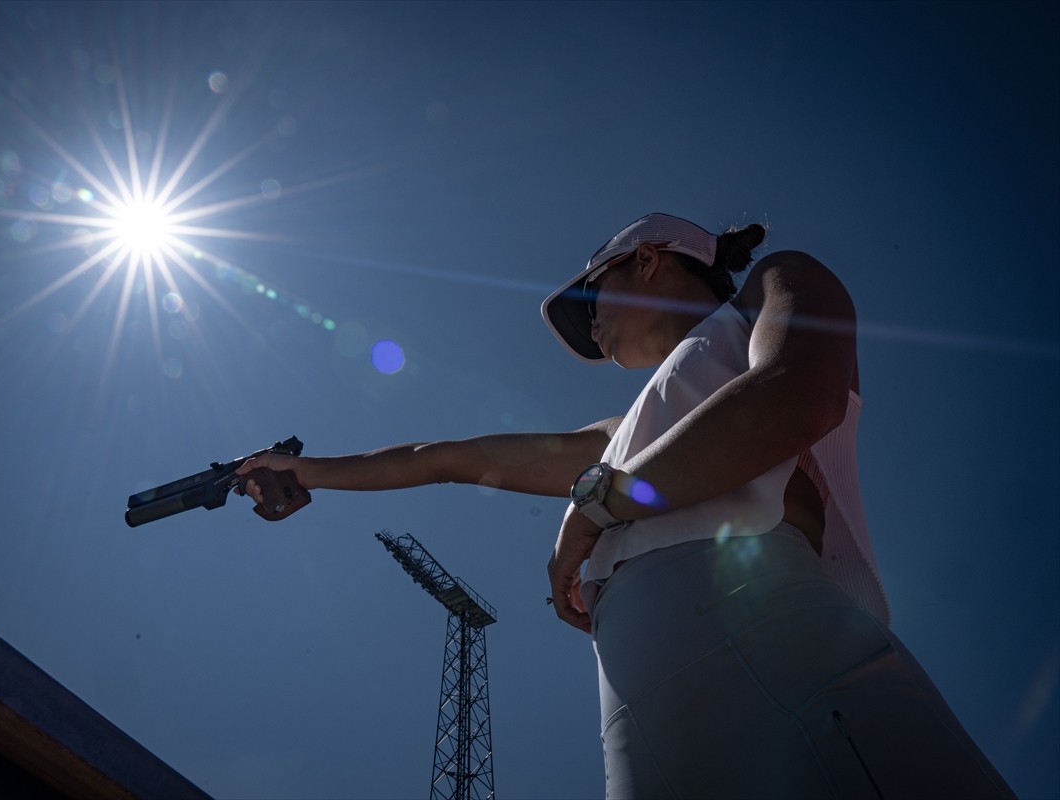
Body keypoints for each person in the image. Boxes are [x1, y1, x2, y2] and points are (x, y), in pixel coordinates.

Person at [236, 213, 1015, 799]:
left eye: (591, 298)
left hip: (774, 640)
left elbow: (794, 396)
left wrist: (597, 507)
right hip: (636, 707)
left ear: (646, 259)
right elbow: (446, 459)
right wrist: (304, 470)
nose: (593, 326)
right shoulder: (627, 430)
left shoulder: (768, 291)